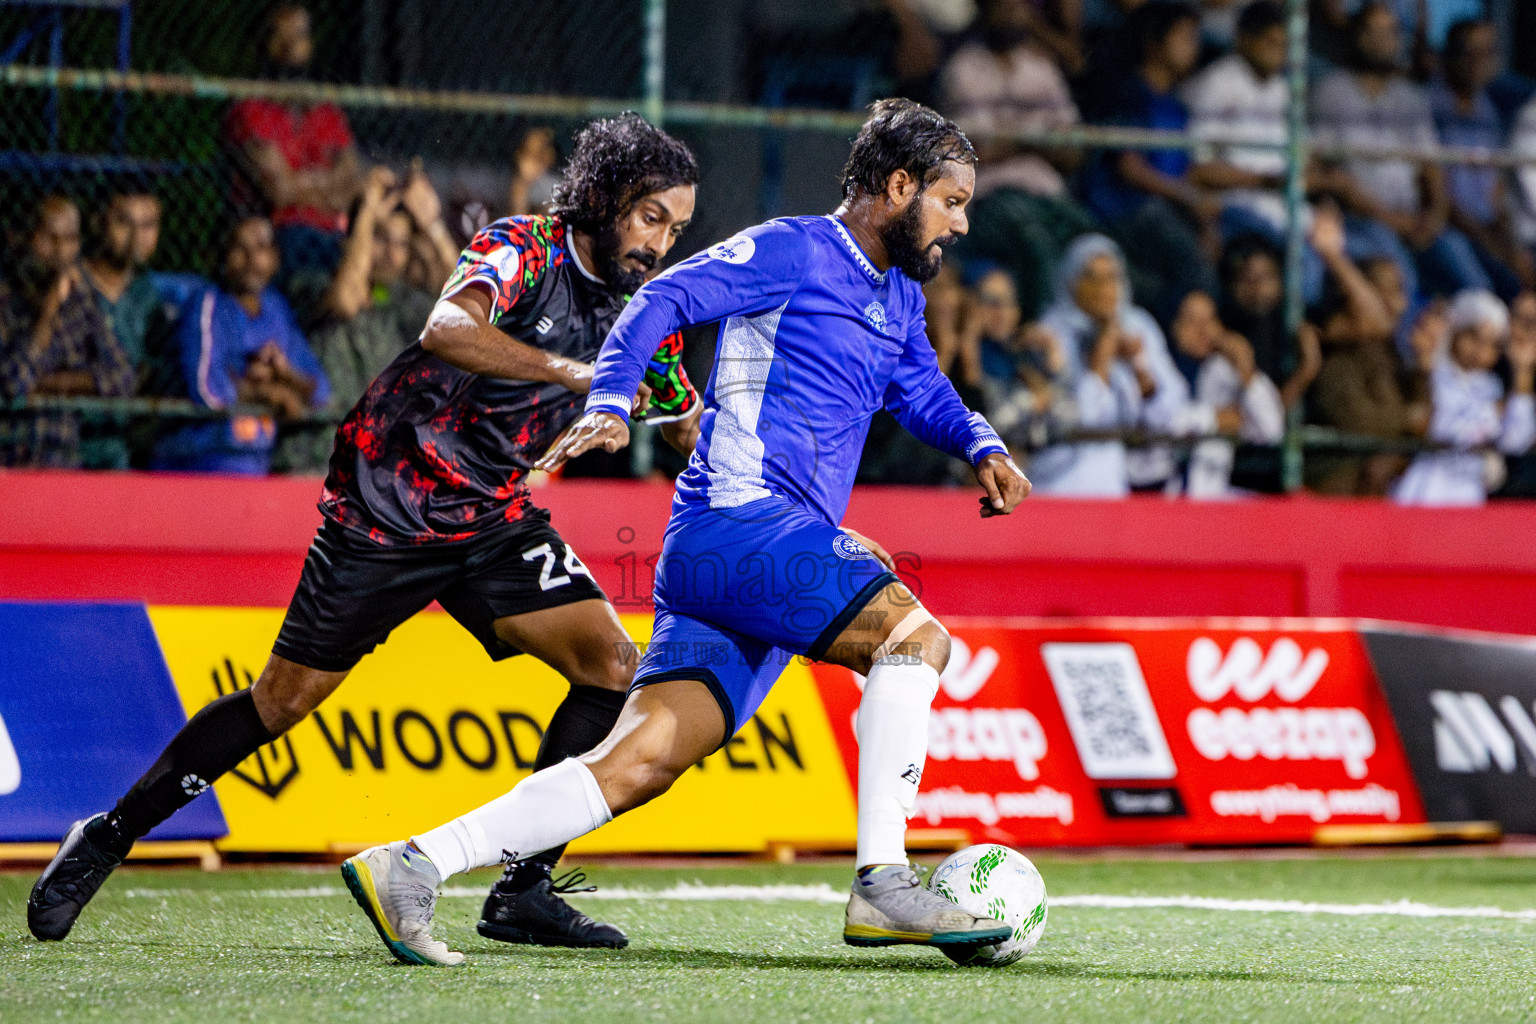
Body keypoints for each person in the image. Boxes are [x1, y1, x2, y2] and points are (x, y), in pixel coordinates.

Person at [340, 99, 1029, 967]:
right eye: (953, 200)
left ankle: (414, 863)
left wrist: (981, 443)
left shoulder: (896, 296)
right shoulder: (795, 249)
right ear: (899, 186)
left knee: (636, 762)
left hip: (742, 553)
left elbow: (920, 385)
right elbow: (664, 297)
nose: (961, 223)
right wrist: (607, 398)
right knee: (914, 639)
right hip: (739, 528)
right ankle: (882, 883)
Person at [27, 115, 709, 956]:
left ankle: (521, 889)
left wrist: (729, 430)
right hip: (390, 499)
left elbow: (682, 420)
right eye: (651, 217)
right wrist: (584, 374)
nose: (662, 242)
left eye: (677, 228)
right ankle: (108, 834)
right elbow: (446, 330)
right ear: (604, 199)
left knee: (611, 666)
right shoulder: (524, 248)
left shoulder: (653, 309)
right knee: (281, 703)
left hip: (492, 514)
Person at [273, 166, 452, 473]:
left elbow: (468, 307)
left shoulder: (397, 304)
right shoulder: (312, 284)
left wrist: (434, 225)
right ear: (355, 237)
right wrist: (366, 211)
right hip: (315, 457)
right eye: (380, 238)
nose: (391, 254)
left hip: (376, 467)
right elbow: (346, 300)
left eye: (401, 244)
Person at [1310, 2, 1487, 301]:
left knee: (1471, 276)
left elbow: (1431, 166)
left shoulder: (1410, 97)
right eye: (1372, 30)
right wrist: (1392, 220)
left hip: (1413, 218)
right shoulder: (1330, 91)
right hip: (1360, 219)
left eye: (1390, 31)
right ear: (1356, 34)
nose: (1381, 39)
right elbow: (1326, 172)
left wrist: (1435, 216)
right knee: (1399, 278)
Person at [940, 0, 1097, 317]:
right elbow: (975, 152)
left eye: (1020, 6)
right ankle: (1040, 330)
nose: (1013, 13)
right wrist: (1038, 142)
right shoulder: (963, 70)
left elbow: (1072, 150)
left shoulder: (1042, 70)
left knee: (1093, 240)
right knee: (1033, 238)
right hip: (990, 198)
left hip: (1047, 193)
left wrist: (1015, 141)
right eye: (1004, 6)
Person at [149, 216, 330, 475]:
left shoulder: (275, 308)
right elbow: (208, 390)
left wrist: (286, 376)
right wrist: (267, 393)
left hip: (256, 465)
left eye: (261, 248)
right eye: (240, 248)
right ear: (223, 256)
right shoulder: (208, 304)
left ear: (275, 258)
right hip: (198, 462)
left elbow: (320, 390)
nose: (251, 259)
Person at [1030, 234, 1203, 495]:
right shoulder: (1050, 333)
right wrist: (1103, 353)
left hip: (1121, 484)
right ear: (1071, 281)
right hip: (1059, 483)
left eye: (1111, 277)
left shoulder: (1137, 325)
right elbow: (1082, 418)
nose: (1103, 288)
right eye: (1091, 277)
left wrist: (1139, 367)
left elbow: (1171, 414)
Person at [1082, 0, 1221, 321]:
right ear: (1153, 42)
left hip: (1163, 212)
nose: (1193, 47)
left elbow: (1185, 173)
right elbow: (1129, 168)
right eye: (1184, 37)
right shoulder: (1129, 94)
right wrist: (1188, 199)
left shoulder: (1176, 106)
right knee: (1192, 268)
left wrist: (1204, 218)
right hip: (1122, 210)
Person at [226, 3, 362, 281]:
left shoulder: (326, 112)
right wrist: (329, 187)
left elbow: (352, 183)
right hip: (280, 238)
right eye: (280, 37)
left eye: (299, 36)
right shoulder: (249, 110)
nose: (290, 47)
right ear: (263, 43)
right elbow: (278, 191)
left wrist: (298, 184)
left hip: (334, 235)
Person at [0, 195, 134, 468]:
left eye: (71, 239)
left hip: (60, 459)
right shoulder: (5, 302)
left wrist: (53, 384)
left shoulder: (80, 303)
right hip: (10, 456)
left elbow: (123, 377)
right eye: (50, 238)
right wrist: (49, 310)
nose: (61, 251)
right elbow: (14, 383)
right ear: (22, 238)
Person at [1392, 289, 1536, 505]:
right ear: (1456, 331)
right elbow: (1434, 427)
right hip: (1422, 487)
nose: (1481, 349)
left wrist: (1522, 370)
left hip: (1467, 495)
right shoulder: (1432, 372)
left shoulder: (1491, 387)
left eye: (1492, 344)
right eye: (1474, 336)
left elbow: (1515, 441)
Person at [1430, 18, 1531, 298]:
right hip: (1447, 227)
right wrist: (1486, 237)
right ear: (1449, 55)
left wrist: (1507, 241)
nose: (1479, 62)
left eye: (1488, 52)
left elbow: (1496, 187)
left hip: (1486, 229)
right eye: (1470, 52)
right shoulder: (1429, 106)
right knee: (1480, 291)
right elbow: (1436, 192)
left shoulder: (1487, 109)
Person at [1168, 289, 1284, 495]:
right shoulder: (1160, 365)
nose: (1204, 330)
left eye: (1210, 320)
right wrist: (1217, 419)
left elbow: (1272, 430)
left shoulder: (1223, 368)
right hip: (1158, 496)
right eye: (1192, 321)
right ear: (1175, 326)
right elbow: (1164, 422)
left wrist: (1246, 370)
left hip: (1214, 497)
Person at [81, 186, 164, 384]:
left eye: (148, 225)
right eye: (124, 222)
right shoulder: (75, 281)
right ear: (99, 223)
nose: (136, 236)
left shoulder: (147, 290)